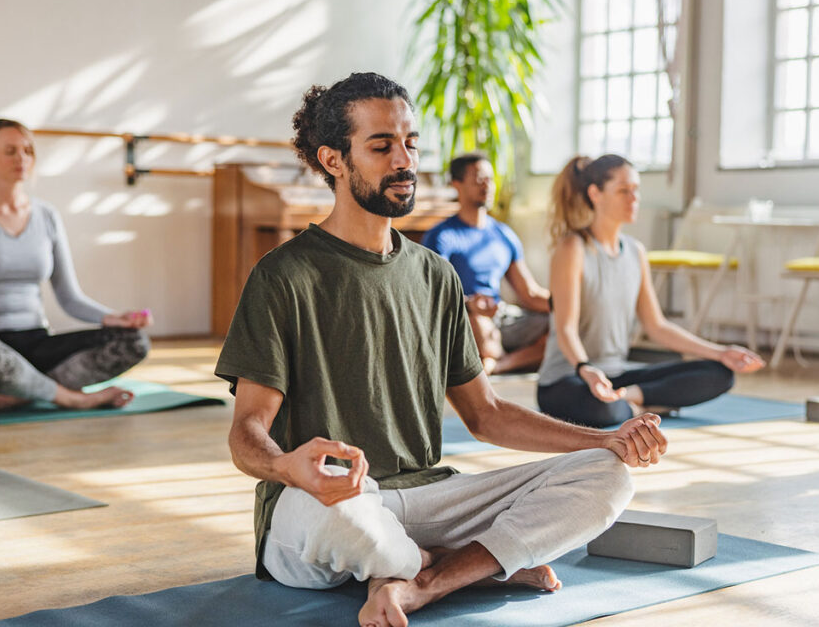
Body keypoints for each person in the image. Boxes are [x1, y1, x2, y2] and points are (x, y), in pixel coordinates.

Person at [216, 73, 668, 627]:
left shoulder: (435, 275)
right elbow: (245, 436)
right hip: (323, 503)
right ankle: (474, 563)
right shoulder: (283, 276)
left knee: (608, 476)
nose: (405, 160)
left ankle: (424, 582)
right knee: (349, 519)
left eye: (411, 143)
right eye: (382, 147)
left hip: (428, 496)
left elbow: (487, 415)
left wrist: (608, 439)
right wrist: (288, 465)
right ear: (333, 160)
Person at [0, 119, 152, 413]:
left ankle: (16, 396)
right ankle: (72, 398)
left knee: (134, 341)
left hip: (35, 344)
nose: (21, 158)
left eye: (27, 150)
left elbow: (69, 298)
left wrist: (114, 318)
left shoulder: (47, 216)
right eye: (10, 150)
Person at [536, 154, 765, 428]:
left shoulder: (635, 252)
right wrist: (586, 369)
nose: (634, 199)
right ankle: (643, 404)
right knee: (600, 409)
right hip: (569, 379)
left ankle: (632, 400)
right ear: (595, 194)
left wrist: (719, 352)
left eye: (636, 190)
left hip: (616, 376)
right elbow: (566, 330)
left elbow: (656, 326)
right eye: (623, 191)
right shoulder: (572, 248)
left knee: (720, 373)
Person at [422, 153, 550, 374]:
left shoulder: (504, 234)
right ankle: (490, 358)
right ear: (457, 184)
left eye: (490, 179)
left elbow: (528, 292)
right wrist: (470, 304)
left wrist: (568, 305)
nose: (487, 185)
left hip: (501, 316)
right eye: (479, 178)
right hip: (466, 315)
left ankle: (498, 364)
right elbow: (436, 292)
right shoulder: (441, 236)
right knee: (478, 322)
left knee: (560, 325)